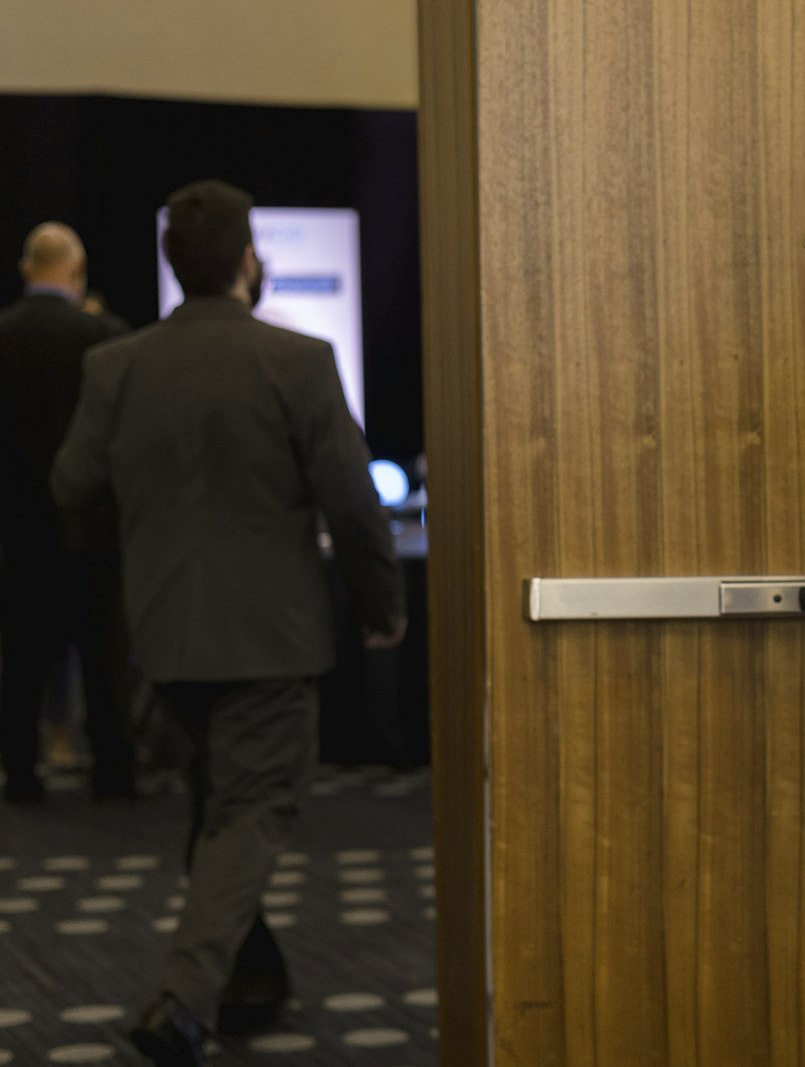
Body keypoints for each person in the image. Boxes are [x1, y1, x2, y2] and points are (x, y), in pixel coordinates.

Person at [51, 180, 406, 1066]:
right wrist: (383, 608)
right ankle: (182, 1002)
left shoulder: (116, 365)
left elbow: (72, 484)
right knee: (252, 809)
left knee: (216, 805)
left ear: (174, 264)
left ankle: (254, 973)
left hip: (164, 634)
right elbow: (354, 505)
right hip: (271, 639)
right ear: (250, 260)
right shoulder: (300, 361)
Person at [0, 222, 135, 803]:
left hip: (19, 529)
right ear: (77, 272)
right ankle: (114, 770)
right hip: (96, 526)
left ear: (26, 270)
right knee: (105, 657)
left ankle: (20, 773)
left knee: (22, 656)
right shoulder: (106, 337)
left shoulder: (3, 336)